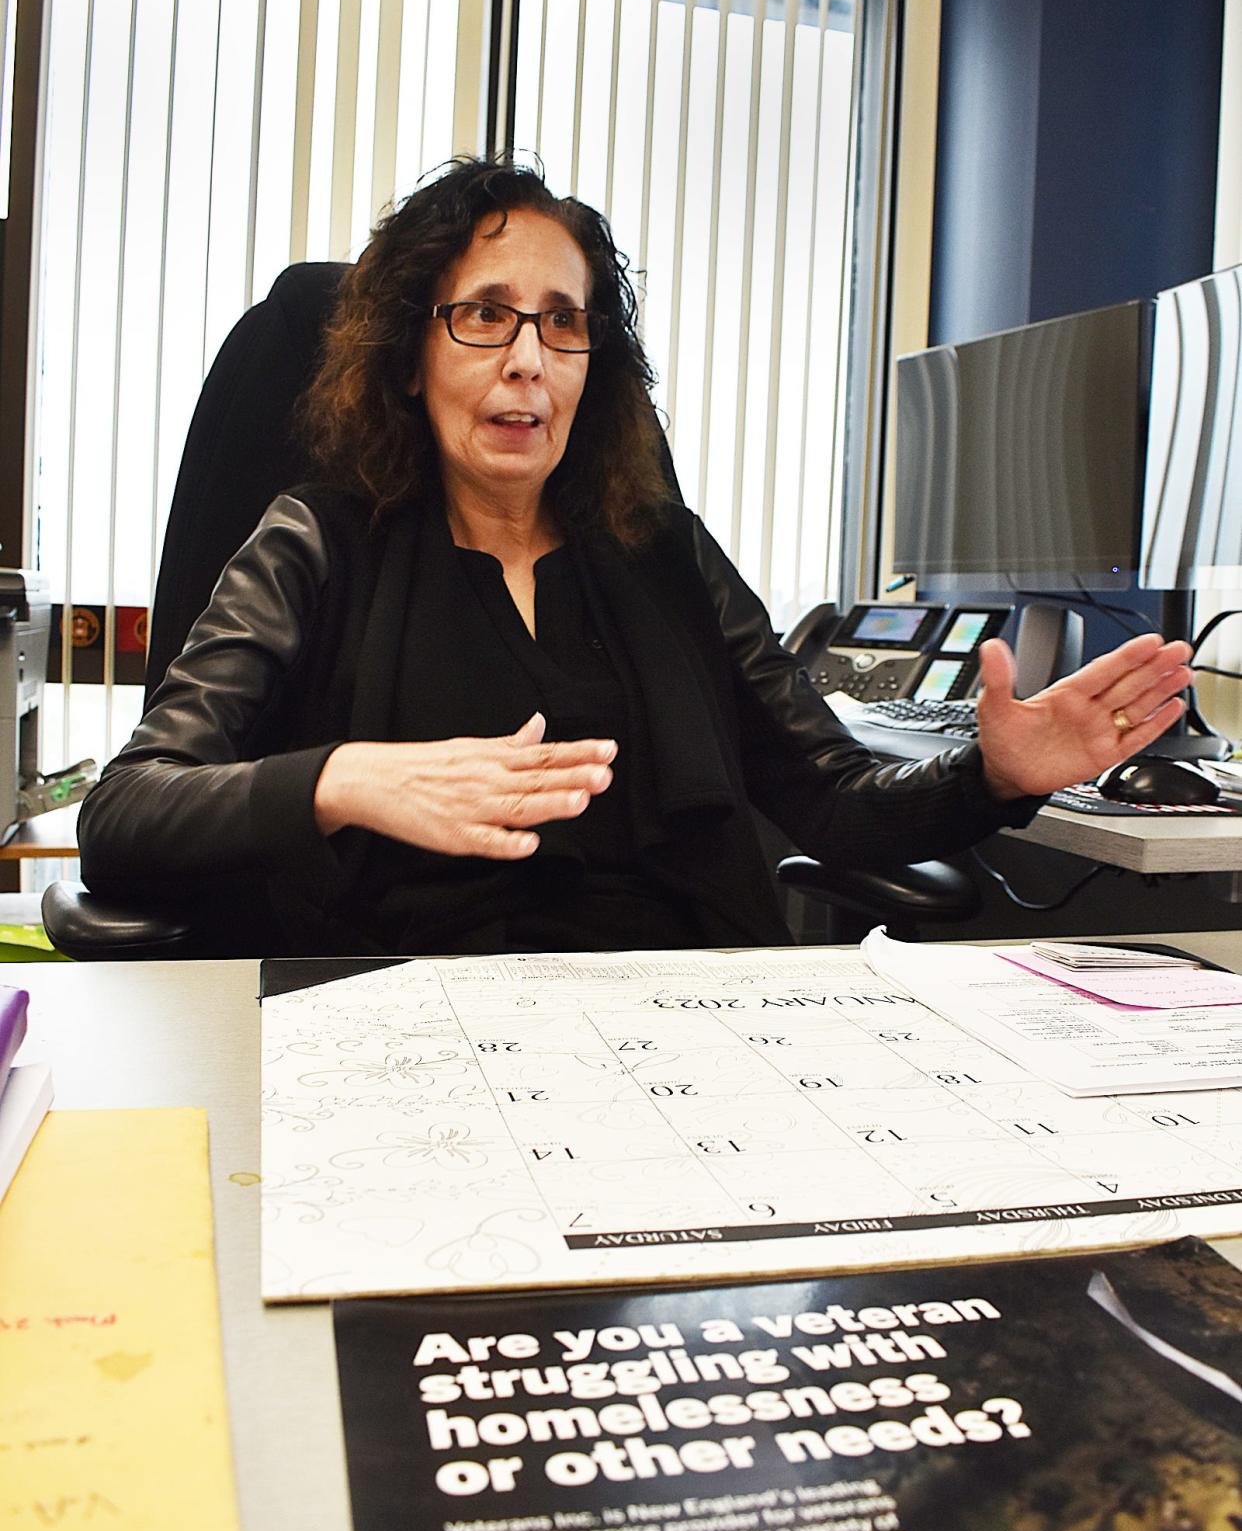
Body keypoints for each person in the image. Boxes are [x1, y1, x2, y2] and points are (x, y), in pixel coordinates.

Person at [78, 156, 1193, 957]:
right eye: (484, 316)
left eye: (564, 323)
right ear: (410, 356)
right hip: (409, 1027)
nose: (528, 361)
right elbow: (127, 813)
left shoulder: (662, 551)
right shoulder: (314, 542)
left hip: (685, 1030)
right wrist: (345, 780)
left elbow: (837, 804)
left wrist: (996, 772)